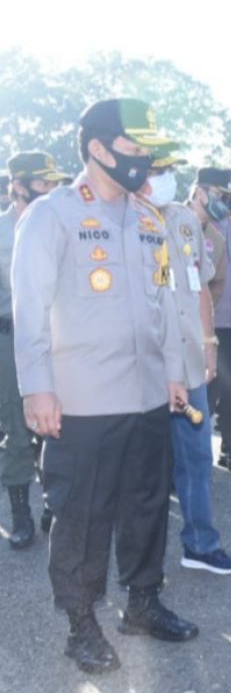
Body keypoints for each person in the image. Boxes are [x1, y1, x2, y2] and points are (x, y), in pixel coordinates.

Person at [14, 98, 199, 674]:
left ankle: (142, 601)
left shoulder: (151, 222)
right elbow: (31, 308)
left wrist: (175, 371)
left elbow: (167, 301)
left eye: (148, 149)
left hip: (147, 393)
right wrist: (36, 389)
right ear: (97, 148)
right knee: (83, 514)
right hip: (82, 399)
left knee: (146, 504)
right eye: (133, 147)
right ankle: (81, 622)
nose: (143, 158)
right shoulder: (52, 215)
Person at [144, 153, 231, 575]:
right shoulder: (122, 220)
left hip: (188, 365)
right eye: (155, 171)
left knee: (198, 459)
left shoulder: (186, 221)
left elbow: (201, 289)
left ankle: (200, 545)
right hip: (144, 367)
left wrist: (209, 345)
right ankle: (140, 566)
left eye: (168, 171)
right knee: (143, 468)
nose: (165, 179)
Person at [1, 152, 69, 549]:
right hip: (10, 339)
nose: (51, 190)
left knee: (57, 427)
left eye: (53, 182)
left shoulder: (60, 223)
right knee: (16, 429)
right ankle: (20, 515)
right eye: (43, 183)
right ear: (19, 185)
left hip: (57, 337)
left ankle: (53, 506)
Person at [195, 167, 231, 472]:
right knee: (205, 391)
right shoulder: (193, 225)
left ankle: (229, 446)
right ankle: (195, 453)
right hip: (208, 324)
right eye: (228, 195)